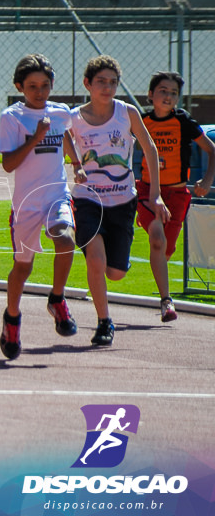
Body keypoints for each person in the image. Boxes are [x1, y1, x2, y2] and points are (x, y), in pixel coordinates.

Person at [68, 55, 169, 347]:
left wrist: (156, 194)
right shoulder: (74, 117)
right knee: (97, 261)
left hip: (123, 200)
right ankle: (104, 322)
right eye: (101, 81)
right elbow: (60, 133)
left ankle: (103, 269)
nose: (107, 87)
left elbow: (149, 148)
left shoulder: (127, 113)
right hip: (88, 199)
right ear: (88, 83)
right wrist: (76, 164)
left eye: (113, 82)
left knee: (116, 273)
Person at [0, 54, 80, 360]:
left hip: (56, 194)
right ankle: (12, 319)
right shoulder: (12, 118)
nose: (39, 91)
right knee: (23, 267)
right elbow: (8, 164)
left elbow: (66, 133)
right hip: (26, 205)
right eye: (32, 86)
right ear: (20, 86)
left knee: (66, 240)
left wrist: (76, 162)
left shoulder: (60, 113)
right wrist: (36, 138)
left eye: (45, 85)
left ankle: (57, 298)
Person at [137, 71, 215, 322]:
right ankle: (166, 302)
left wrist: (207, 180)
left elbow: (212, 150)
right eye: (163, 90)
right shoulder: (140, 121)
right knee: (157, 239)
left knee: (165, 249)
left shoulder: (183, 121)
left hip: (178, 194)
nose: (168, 96)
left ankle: (162, 287)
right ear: (151, 94)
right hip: (149, 192)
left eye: (173, 93)